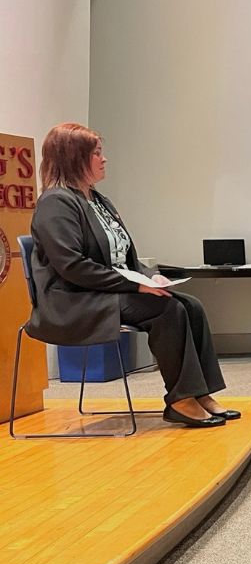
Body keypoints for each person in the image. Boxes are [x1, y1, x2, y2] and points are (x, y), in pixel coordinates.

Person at [28, 123, 237, 428]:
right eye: (97, 153)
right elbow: (72, 266)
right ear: (74, 157)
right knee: (167, 310)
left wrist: (150, 277)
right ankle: (180, 399)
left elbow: (125, 257)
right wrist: (134, 287)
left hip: (108, 290)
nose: (104, 159)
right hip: (74, 299)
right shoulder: (56, 203)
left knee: (190, 305)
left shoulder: (98, 201)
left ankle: (199, 393)